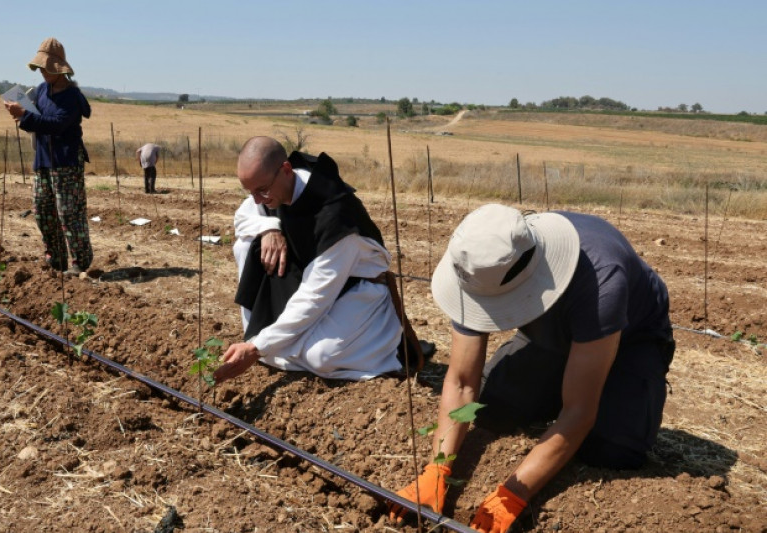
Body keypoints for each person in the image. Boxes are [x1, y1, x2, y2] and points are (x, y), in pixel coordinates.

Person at [389, 203, 675, 531]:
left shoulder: (601, 279)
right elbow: (462, 383)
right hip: (551, 334)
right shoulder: (477, 268)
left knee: (613, 450)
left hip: (631, 339)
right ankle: (561, 377)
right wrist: (436, 469)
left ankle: (604, 388)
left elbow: (579, 412)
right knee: (490, 408)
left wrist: (514, 493)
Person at [213, 136, 426, 384]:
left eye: (261, 190)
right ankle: (271, 342)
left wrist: (258, 348)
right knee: (247, 244)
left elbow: (316, 295)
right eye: (250, 192)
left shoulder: (334, 215)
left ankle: (388, 345)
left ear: (285, 170)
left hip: (356, 287)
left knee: (321, 358)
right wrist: (269, 227)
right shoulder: (272, 188)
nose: (258, 200)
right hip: (306, 274)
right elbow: (243, 215)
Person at [4, 37, 93, 275]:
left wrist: (24, 115)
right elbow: (38, 120)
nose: (42, 73)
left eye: (46, 68)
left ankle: (79, 262)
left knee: (69, 212)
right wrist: (21, 114)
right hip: (43, 159)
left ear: (58, 69)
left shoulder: (72, 97)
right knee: (42, 211)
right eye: (40, 68)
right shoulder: (42, 90)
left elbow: (57, 124)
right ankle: (56, 261)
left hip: (66, 161)